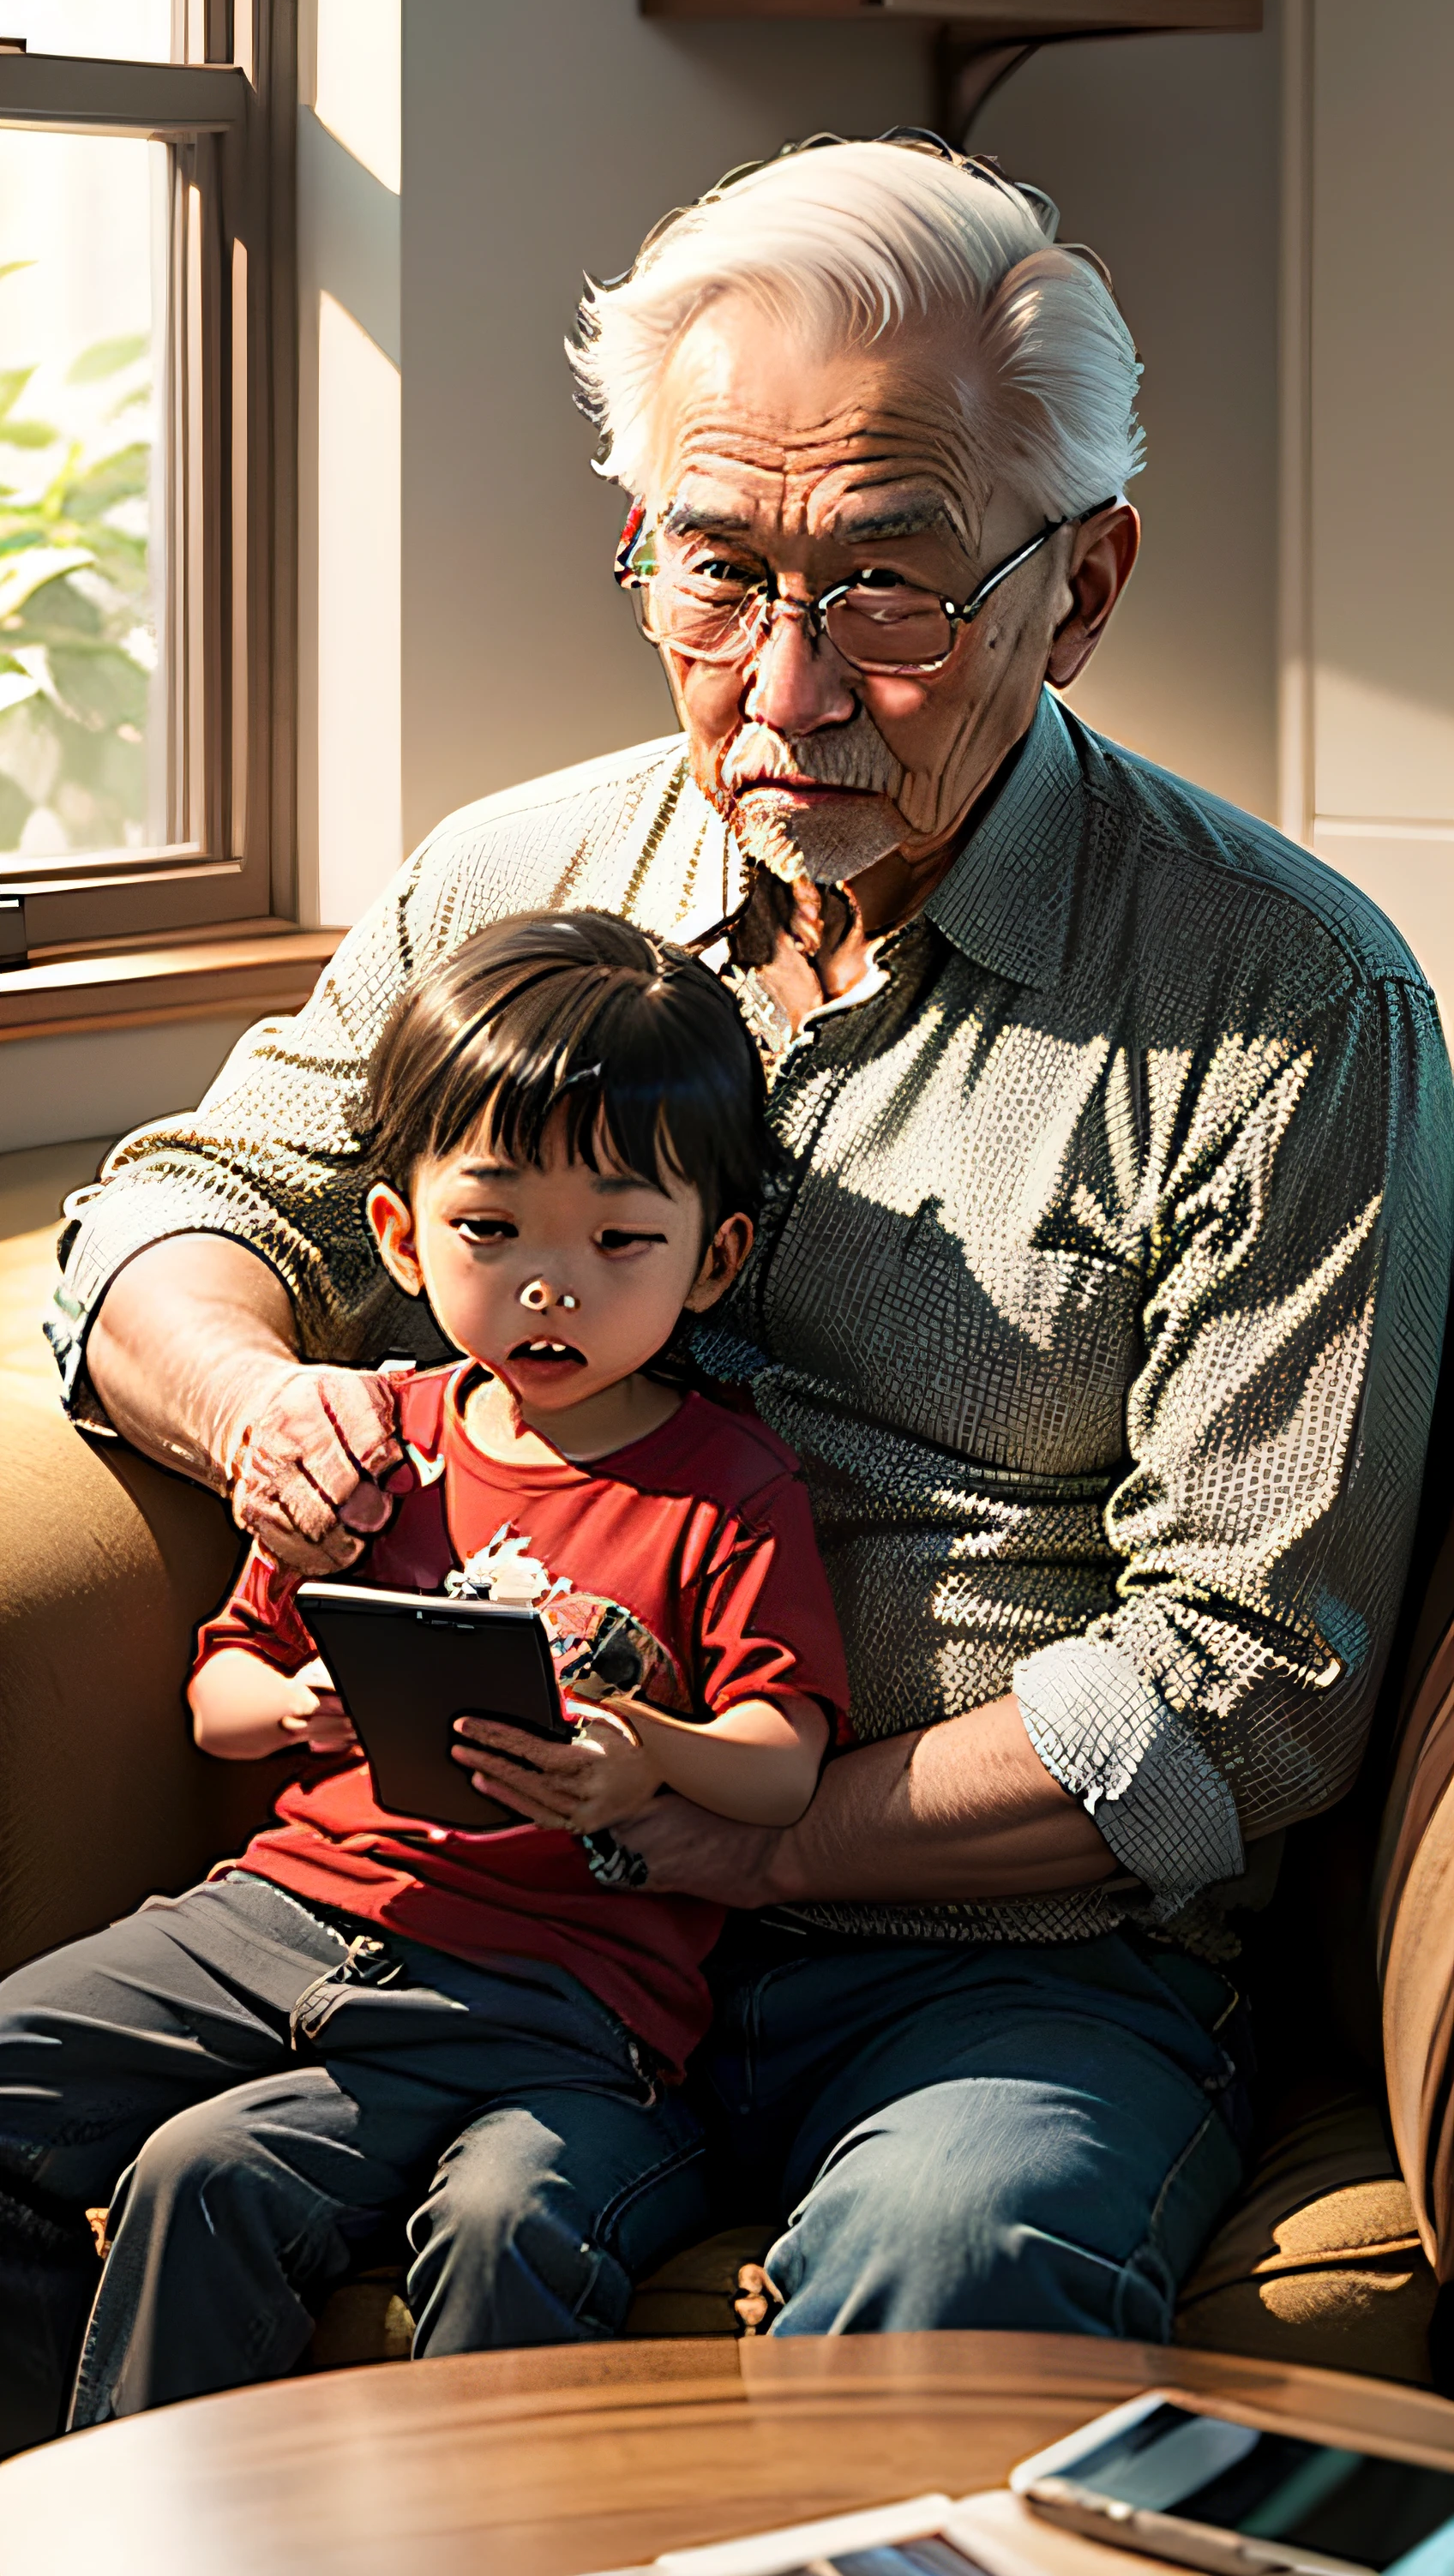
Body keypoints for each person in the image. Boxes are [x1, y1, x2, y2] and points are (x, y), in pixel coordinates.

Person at [10, 130, 1454, 2413]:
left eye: (888, 592)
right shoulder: (507, 877)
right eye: (713, 580)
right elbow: (175, 1213)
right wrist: (253, 1402)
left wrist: (753, 1837)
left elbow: (1246, 1679)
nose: (780, 696)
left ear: (1079, 590)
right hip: (474, 1914)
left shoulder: (1288, 1001)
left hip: (985, 1958)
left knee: (943, 2251)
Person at [0, 911, 850, 2435]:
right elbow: (222, 1695)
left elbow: (781, 1758)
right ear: (400, 1236)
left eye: (618, 1242)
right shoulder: (375, 1442)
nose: (550, 1289)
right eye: (493, 1230)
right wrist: (302, 1705)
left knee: (384, 2200)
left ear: (713, 1259)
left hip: (553, 1995)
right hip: (283, 1913)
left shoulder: (731, 1489)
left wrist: (647, 1752)